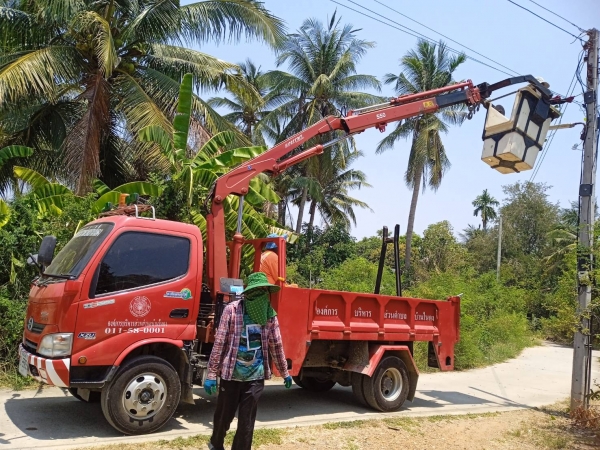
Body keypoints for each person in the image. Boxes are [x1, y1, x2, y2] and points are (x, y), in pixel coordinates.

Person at [204, 272, 292, 450]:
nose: (260, 295)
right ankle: (216, 443)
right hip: (231, 374)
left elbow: (276, 345)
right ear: (248, 293)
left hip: (255, 377)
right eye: (256, 291)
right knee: (224, 416)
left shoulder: (269, 315)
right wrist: (211, 374)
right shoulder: (232, 310)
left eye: (263, 291)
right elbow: (220, 342)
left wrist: (285, 372)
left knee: (246, 423)